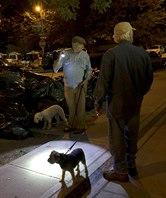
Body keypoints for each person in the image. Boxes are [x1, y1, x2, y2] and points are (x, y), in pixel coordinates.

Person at [94, 22, 153, 182]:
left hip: (116, 104)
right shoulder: (142, 54)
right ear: (129, 34)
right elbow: (148, 80)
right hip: (134, 103)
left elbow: (103, 82)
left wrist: (98, 101)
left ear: (117, 35)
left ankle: (120, 170)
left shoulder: (111, 54)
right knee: (132, 134)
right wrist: (139, 95)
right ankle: (131, 165)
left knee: (117, 138)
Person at [53, 36, 92, 133]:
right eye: (78, 45)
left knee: (80, 106)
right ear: (73, 44)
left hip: (81, 84)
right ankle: (71, 125)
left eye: (82, 46)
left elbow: (89, 70)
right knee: (71, 106)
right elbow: (55, 69)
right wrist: (59, 58)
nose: (81, 47)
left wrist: (86, 80)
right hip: (69, 85)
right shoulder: (66, 54)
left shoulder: (85, 55)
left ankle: (80, 126)